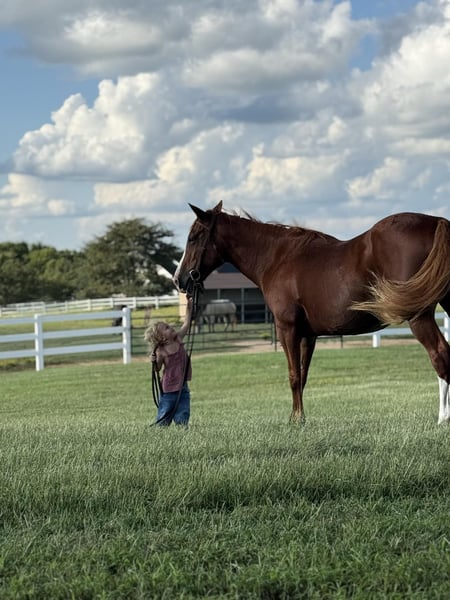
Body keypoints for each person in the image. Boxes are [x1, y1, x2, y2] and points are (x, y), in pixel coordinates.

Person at [144, 298, 194, 426]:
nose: (170, 327)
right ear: (161, 337)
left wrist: (189, 307)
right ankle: (160, 427)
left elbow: (187, 323)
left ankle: (182, 426)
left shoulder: (178, 339)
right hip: (169, 388)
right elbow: (157, 369)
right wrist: (154, 361)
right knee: (165, 410)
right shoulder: (161, 351)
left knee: (183, 408)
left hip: (182, 384)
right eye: (166, 328)